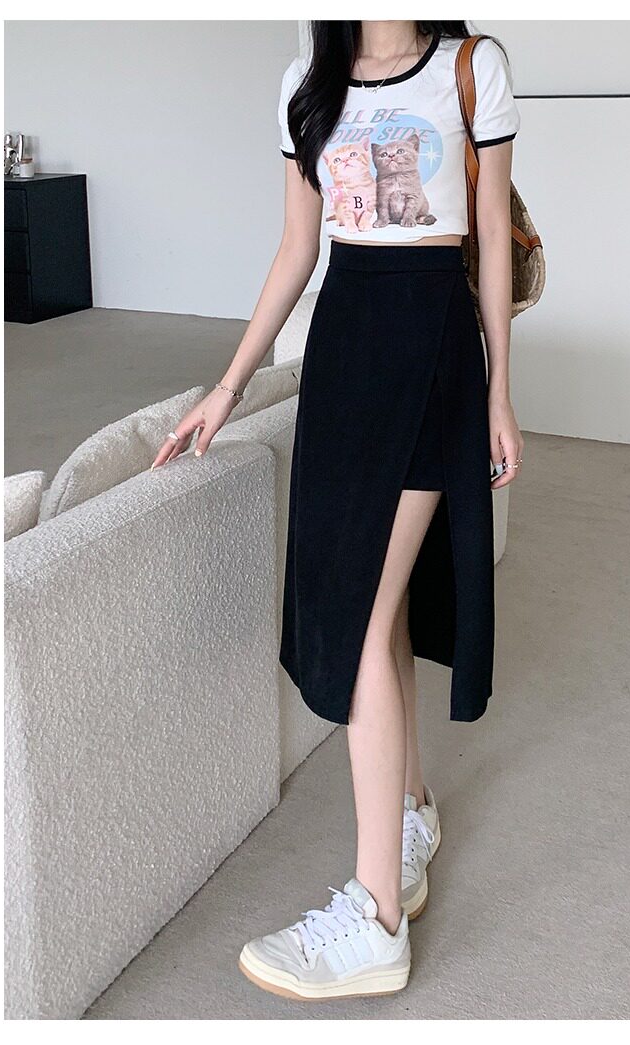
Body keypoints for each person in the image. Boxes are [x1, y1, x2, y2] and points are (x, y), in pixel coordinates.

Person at [151, 20, 523, 1002]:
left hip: (431, 352)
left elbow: (490, 238)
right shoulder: (304, 83)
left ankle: (376, 919)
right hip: (345, 351)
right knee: (378, 606)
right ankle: (410, 813)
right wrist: (228, 386)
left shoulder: (471, 68)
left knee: (357, 609)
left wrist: (497, 392)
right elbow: (296, 247)